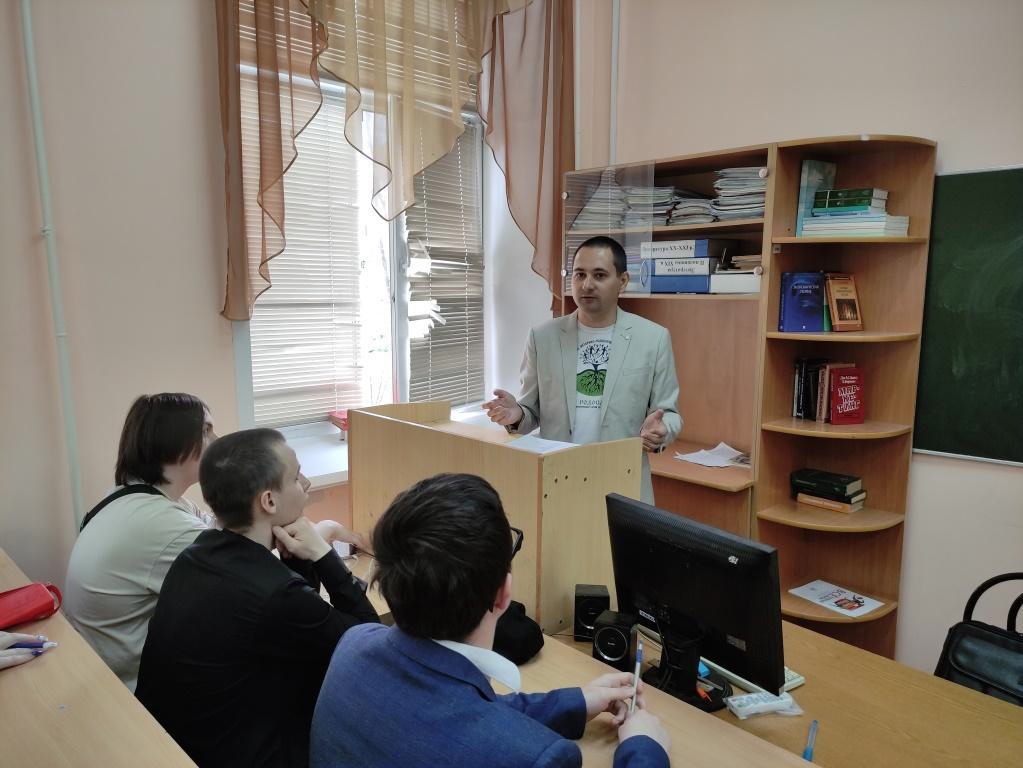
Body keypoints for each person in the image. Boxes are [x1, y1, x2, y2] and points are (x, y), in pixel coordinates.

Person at [310, 473, 671, 768]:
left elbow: (455, 710)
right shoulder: (537, 759)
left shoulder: (353, 646)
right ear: (503, 594)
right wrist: (644, 748)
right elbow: (471, 724)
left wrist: (577, 702)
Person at [135, 428, 378, 768]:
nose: (306, 484)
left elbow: (297, 623)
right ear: (269, 502)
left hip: (171, 744)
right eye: (296, 477)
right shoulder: (276, 594)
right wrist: (323, 554)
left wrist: (300, 561)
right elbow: (369, 644)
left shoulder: (194, 556)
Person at [483, 236, 682, 504]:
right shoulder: (543, 337)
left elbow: (669, 413)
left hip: (622, 480)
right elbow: (531, 411)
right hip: (557, 481)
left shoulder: (653, 338)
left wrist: (661, 431)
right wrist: (516, 414)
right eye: (579, 274)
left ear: (622, 281)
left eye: (599, 275)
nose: (587, 285)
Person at [64, 393, 217, 690]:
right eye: (206, 430)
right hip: (129, 691)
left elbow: (212, 531)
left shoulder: (129, 496)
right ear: (173, 440)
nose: (216, 440)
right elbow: (241, 573)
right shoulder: (162, 522)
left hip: (96, 668)